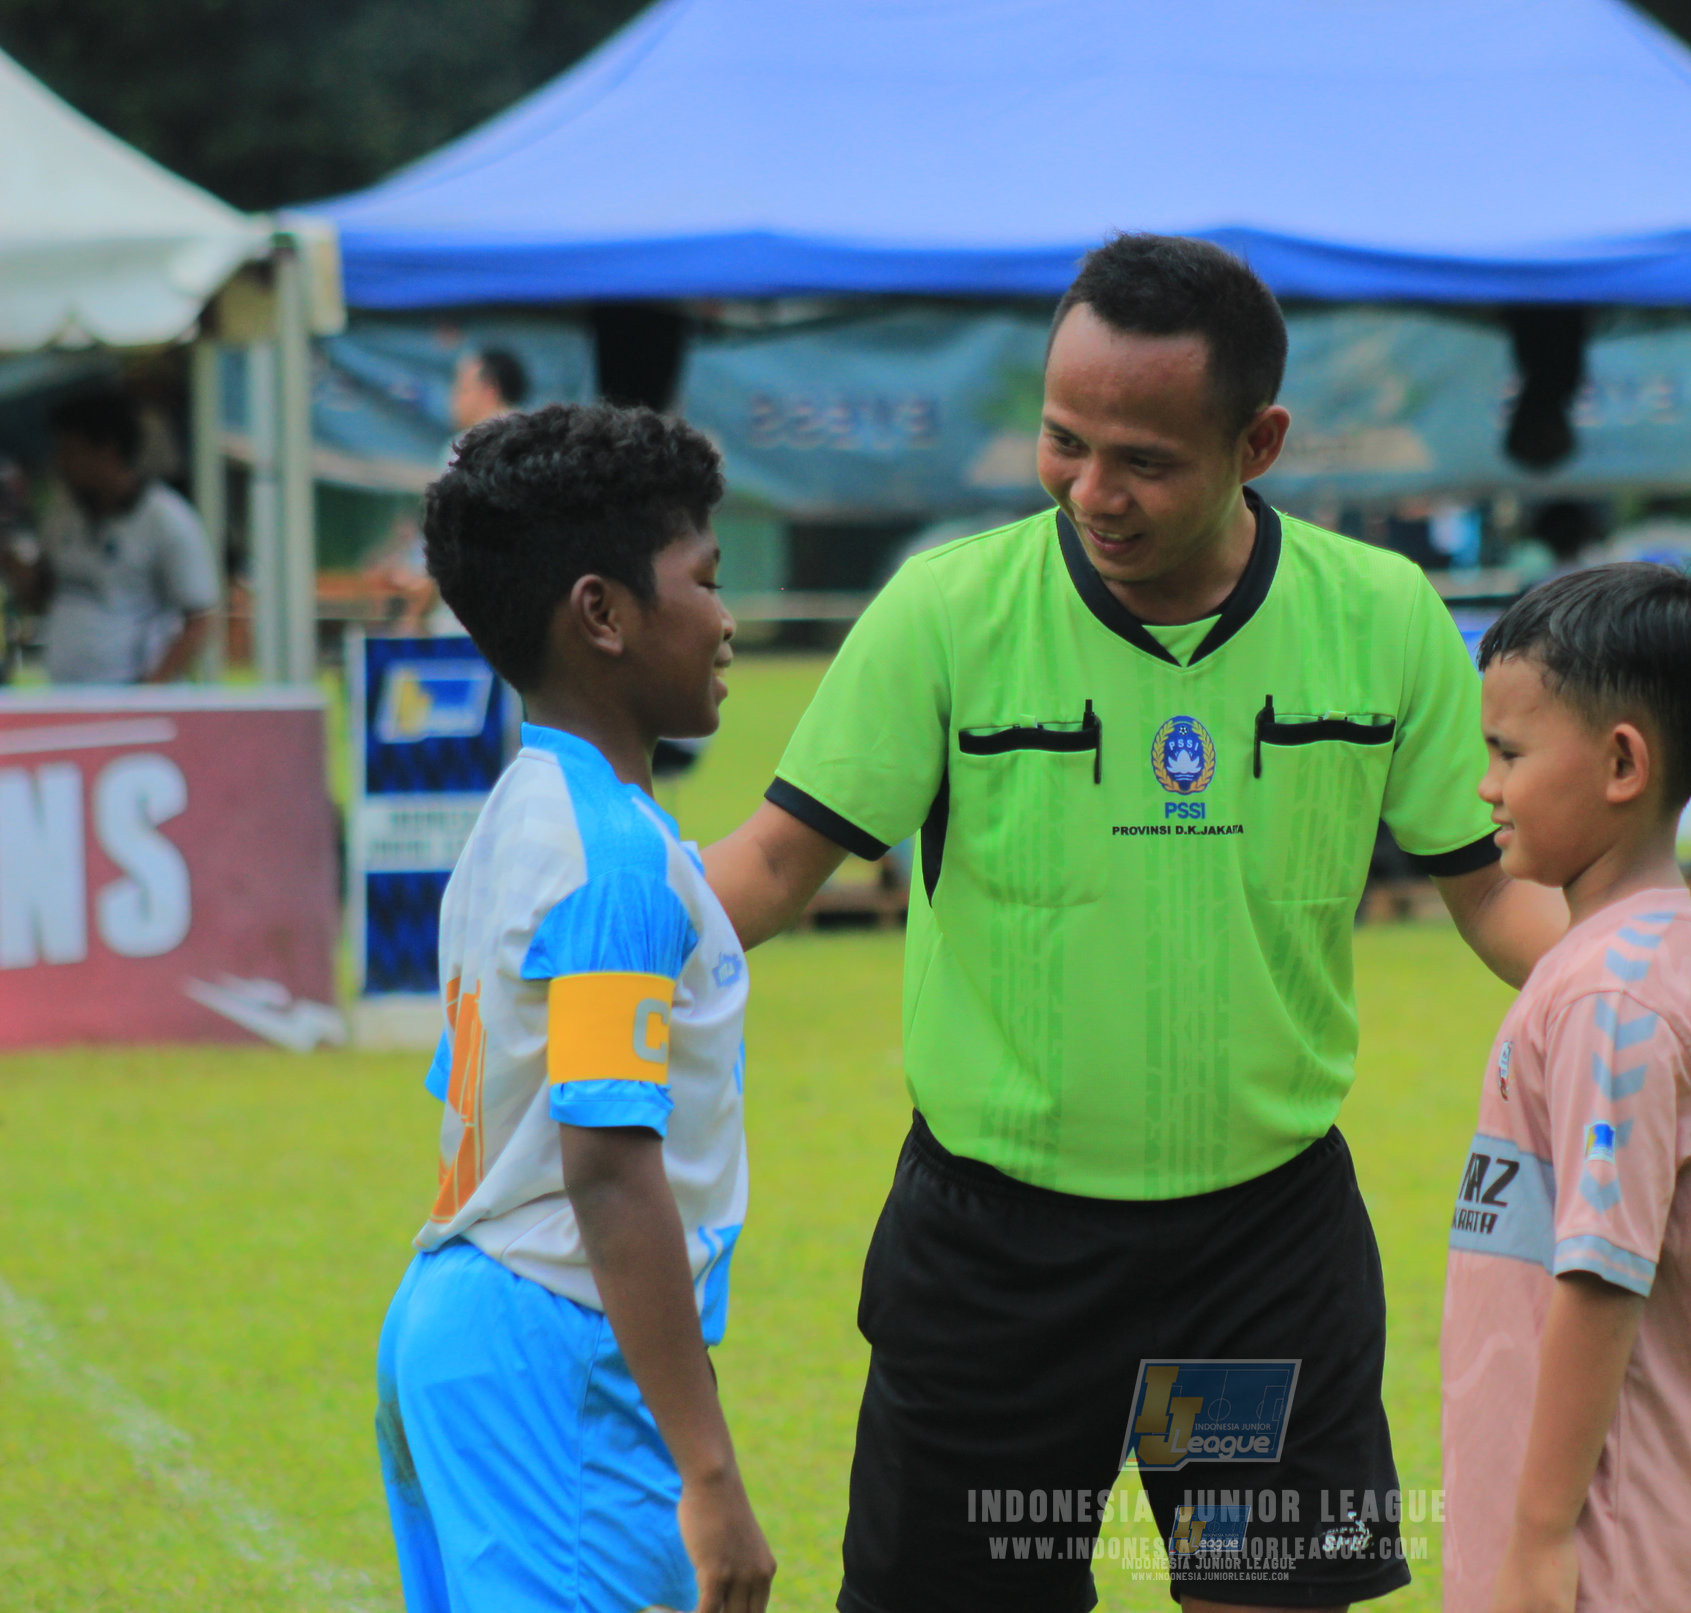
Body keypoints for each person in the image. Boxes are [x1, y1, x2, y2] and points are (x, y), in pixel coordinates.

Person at [705, 233, 1566, 1611]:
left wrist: (1636, 975)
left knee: (1259, 1592)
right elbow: (767, 865)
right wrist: (583, 930)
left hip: (1255, 1267)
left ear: (1258, 442)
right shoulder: (947, 611)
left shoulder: (1379, 616)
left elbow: (1493, 890)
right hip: (999, 1275)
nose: (1092, 491)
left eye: (1144, 461)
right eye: (1064, 441)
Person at [375, 404, 774, 1613]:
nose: (727, 617)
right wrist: (710, 1473)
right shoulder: (610, 862)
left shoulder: (522, 813)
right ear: (602, 612)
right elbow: (606, 1166)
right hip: (551, 1351)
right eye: (705, 579)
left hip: (462, 1323)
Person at [1442, 564, 1691, 1613]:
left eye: (1508, 752)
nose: (1485, 785)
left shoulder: (1611, 998)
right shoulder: (1615, 958)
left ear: (1622, 762)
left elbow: (1600, 1276)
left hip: (1602, 1544)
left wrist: (1540, 1538)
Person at [0, 389, 218, 684]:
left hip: (130, 692)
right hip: (67, 691)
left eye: (70, 452)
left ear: (107, 451)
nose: (60, 463)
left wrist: (150, 693)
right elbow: (42, 596)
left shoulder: (167, 520)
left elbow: (200, 619)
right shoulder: (64, 514)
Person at [373, 345, 531, 633]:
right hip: (527, 618)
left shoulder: (463, 449)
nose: (452, 399)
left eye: (461, 387)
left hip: (466, 623)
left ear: (489, 390)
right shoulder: (540, 444)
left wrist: (414, 613)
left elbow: (444, 542)